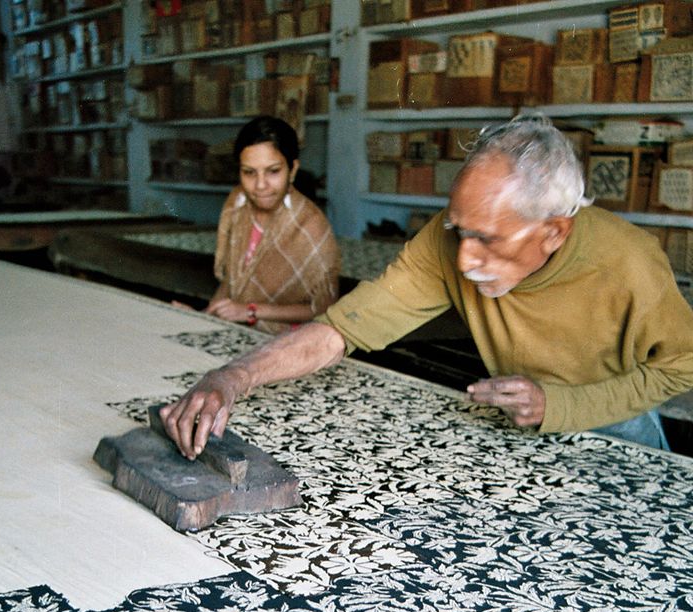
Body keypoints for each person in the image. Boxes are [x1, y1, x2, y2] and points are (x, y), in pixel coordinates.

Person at [161, 112, 693, 459]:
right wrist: (231, 377)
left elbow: (682, 365)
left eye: (486, 239)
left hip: (618, 433)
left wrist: (562, 407)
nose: (463, 257)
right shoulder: (447, 242)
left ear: (554, 231)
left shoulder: (629, 262)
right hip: (521, 421)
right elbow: (341, 328)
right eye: (459, 231)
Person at [203, 115, 340, 334]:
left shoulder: (311, 226)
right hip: (239, 328)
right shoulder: (237, 206)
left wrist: (251, 311)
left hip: (289, 341)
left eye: (273, 171)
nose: (260, 185)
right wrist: (203, 318)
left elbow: (322, 308)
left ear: (292, 169)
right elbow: (233, 282)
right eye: (249, 172)